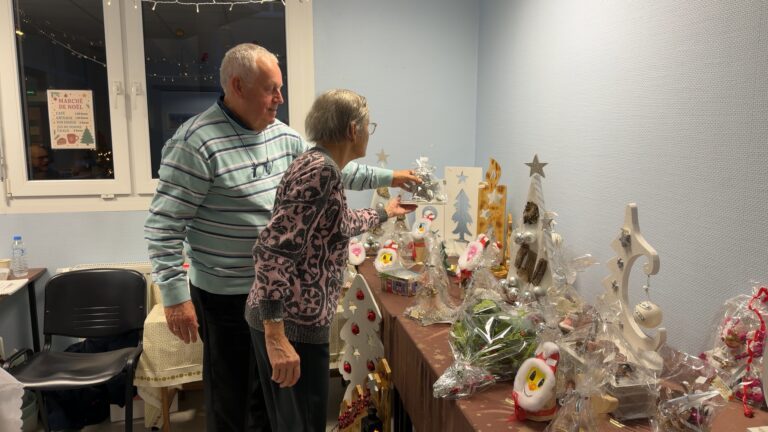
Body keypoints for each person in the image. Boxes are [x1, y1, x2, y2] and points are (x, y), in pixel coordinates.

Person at [144, 44, 419, 432]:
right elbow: (163, 227)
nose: (281, 98)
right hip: (226, 295)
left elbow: (333, 170)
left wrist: (391, 178)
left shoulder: (282, 137)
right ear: (238, 86)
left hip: (276, 297)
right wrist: (175, 299)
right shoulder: (195, 143)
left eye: (281, 87)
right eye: (271, 88)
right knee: (232, 403)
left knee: (268, 407)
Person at [245, 89, 416, 431]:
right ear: (353, 130)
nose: (370, 132)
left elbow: (336, 226)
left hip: (293, 322)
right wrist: (276, 335)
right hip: (293, 326)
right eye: (370, 126)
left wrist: (385, 211)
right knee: (301, 424)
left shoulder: (320, 166)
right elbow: (272, 250)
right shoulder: (320, 171)